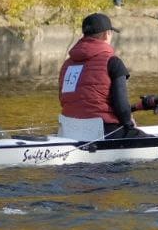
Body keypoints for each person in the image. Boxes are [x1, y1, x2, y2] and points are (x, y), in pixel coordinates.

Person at [58, 12, 149, 140]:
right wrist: (129, 125)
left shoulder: (67, 65)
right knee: (156, 141)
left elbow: (64, 99)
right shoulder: (113, 62)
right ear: (107, 34)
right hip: (103, 130)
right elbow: (121, 106)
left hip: (70, 129)